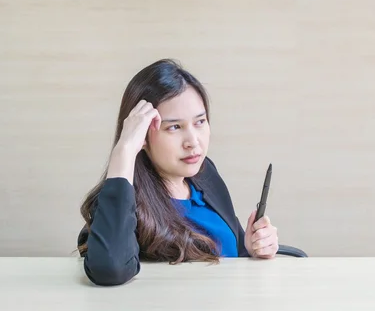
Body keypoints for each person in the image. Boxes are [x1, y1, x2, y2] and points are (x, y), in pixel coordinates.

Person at [77, 59, 279, 286]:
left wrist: (252, 249)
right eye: (174, 127)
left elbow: (231, 251)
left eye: (200, 122)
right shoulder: (122, 200)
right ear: (141, 136)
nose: (193, 142)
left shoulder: (205, 173)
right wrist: (124, 152)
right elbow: (110, 271)